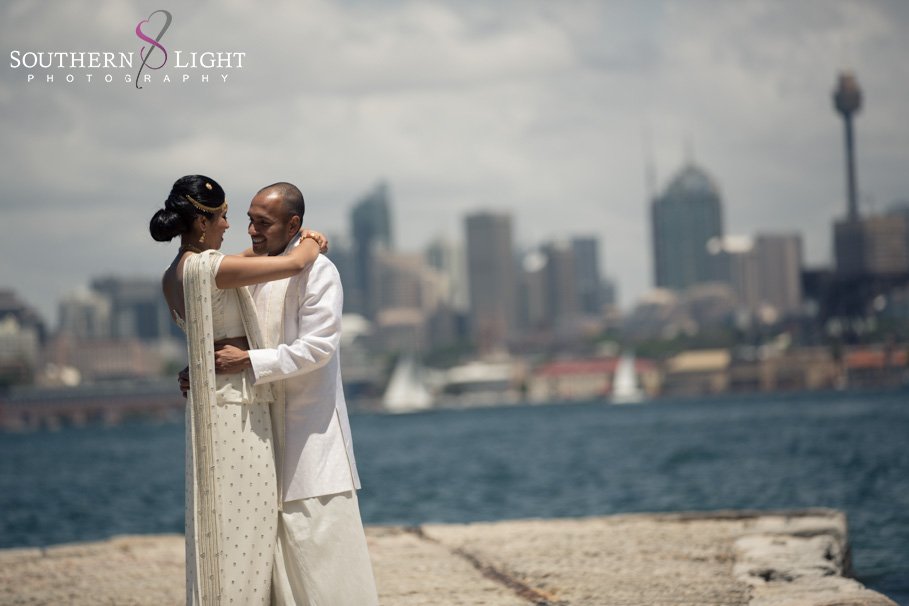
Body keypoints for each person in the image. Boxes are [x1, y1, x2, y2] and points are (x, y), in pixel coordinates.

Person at [149, 175, 327, 605]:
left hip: (209, 408)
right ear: (202, 222)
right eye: (224, 217)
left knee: (217, 524)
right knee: (247, 528)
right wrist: (312, 241)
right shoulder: (213, 269)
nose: (230, 227)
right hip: (238, 414)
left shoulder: (174, 275)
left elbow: (244, 265)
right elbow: (292, 265)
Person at [212, 182, 379, 605]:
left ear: (294, 225)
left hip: (313, 443)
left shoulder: (320, 271)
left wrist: (249, 360)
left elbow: (319, 348)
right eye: (249, 220)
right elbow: (235, 340)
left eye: (262, 223)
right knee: (275, 570)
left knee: (325, 564)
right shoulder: (257, 273)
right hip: (261, 442)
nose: (251, 230)